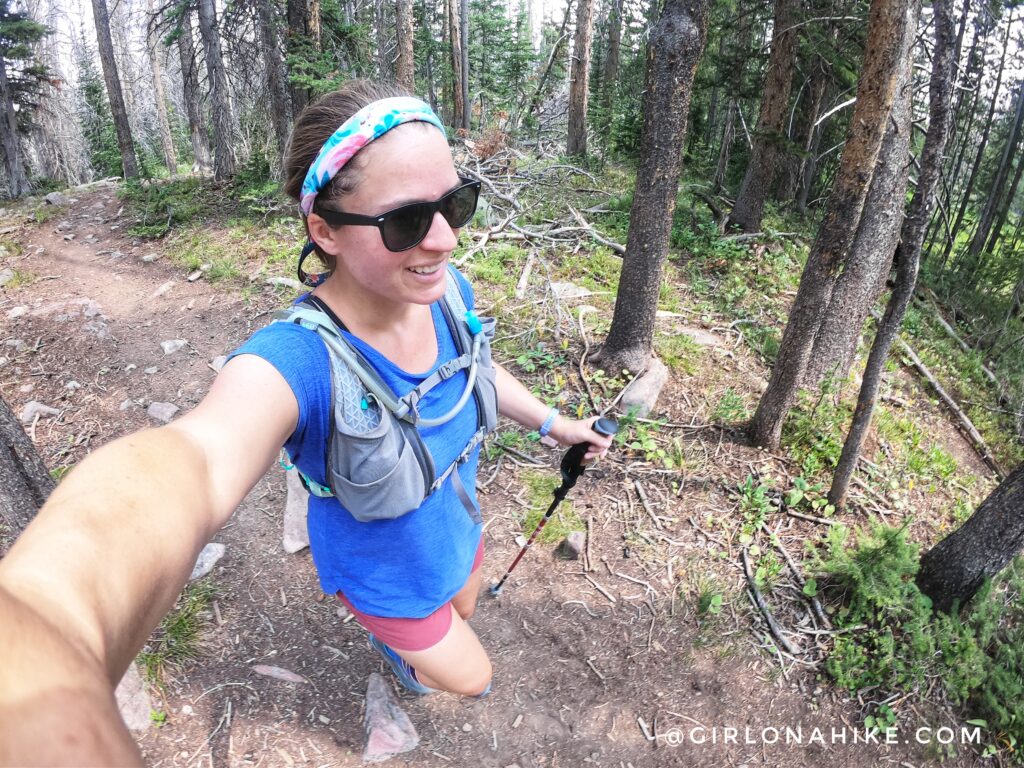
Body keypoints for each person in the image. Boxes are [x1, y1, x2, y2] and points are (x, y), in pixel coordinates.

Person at [0, 79, 612, 764]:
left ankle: (424, 641)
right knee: (474, 677)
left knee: (465, 602)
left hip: (458, 530)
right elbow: (196, 461)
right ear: (324, 229)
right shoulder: (299, 361)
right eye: (407, 220)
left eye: (455, 203)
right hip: (385, 578)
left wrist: (557, 424)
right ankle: (407, 657)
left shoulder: (445, 294)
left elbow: (477, 370)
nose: (443, 239)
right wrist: (42, 627)